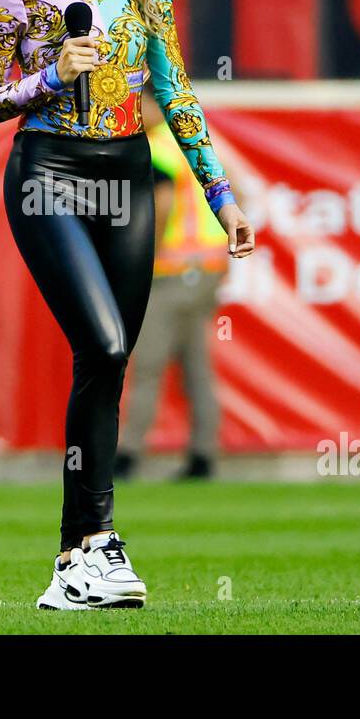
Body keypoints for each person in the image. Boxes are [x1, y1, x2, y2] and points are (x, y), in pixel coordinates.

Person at [0, 0, 255, 611]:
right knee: (98, 337)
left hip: (128, 174)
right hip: (47, 172)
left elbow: (174, 89)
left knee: (111, 358)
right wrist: (54, 73)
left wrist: (221, 194)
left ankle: (78, 558)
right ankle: (93, 543)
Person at [117, 100, 232, 482]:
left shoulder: (157, 147)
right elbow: (235, 194)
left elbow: (161, 204)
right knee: (195, 365)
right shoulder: (192, 141)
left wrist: (141, 263)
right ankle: (203, 455)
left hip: (173, 271)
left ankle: (127, 455)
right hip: (205, 268)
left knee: (147, 363)